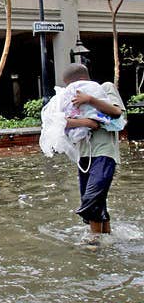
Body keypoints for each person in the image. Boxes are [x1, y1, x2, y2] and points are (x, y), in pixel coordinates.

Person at [62, 64, 124, 242]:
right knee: (97, 200)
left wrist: (89, 99)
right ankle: (107, 238)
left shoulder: (104, 88)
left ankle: (94, 239)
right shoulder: (70, 98)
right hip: (84, 155)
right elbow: (62, 122)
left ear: (81, 81)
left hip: (104, 152)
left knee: (92, 197)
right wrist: (87, 123)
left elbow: (117, 113)